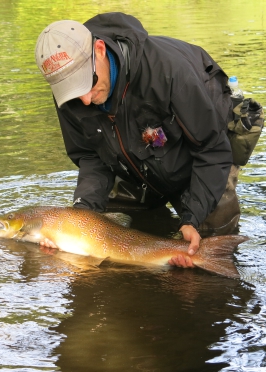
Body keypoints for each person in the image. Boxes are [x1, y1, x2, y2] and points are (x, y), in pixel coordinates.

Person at [35, 12, 237, 268]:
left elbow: (212, 149)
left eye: (88, 82)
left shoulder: (169, 70)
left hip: (201, 156)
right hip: (133, 161)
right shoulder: (70, 95)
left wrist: (192, 218)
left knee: (209, 243)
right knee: (113, 237)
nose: (84, 100)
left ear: (99, 50)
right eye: (73, 93)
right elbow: (90, 155)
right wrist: (82, 215)